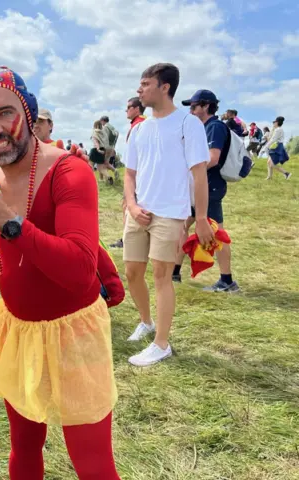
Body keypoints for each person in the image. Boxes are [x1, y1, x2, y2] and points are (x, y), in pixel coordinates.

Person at [0, 66, 120, 479]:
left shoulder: (69, 170)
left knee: (93, 464)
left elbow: (81, 270)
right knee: (24, 450)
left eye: (5, 113)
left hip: (74, 334)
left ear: (28, 114)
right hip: (18, 332)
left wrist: (10, 223)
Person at [123, 63, 213, 366]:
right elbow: (129, 174)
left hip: (171, 214)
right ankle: (146, 322)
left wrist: (199, 218)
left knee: (162, 276)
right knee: (132, 273)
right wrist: (132, 206)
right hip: (139, 213)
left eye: (145, 84)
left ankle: (161, 344)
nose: (139, 90)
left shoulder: (189, 125)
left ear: (165, 87)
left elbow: (199, 175)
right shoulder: (139, 128)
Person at [175, 89, 239, 292]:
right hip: (200, 187)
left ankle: (227, 281)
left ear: (205, 106)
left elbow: (212, 158)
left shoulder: (214, 127)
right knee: (183, 226)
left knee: (217, 232)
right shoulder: (204, 127)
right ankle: (174, 272)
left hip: (210, 187)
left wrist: (186, 170)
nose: (191, 111)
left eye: (194, 106)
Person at [111, 97, 148, 249]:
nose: (126, 110)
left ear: (137, 108)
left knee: (128, 205)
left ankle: (127, 239)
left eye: (128, 107)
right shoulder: (141, 123)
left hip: (136, 175)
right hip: (140, 175)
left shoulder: (138, 125)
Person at [266, 116, 292, 180]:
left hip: (277, 147)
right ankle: (269, 177)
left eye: (274, 122)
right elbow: (271, 137)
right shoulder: (277, 129)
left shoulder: (278, 130)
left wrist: (266, 147)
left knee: (272, 164)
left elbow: (273, 139)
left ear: (277, 123)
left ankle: (286, 173)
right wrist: (272, 129)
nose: (273, 123)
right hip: (276, 146)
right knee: (269, 162)